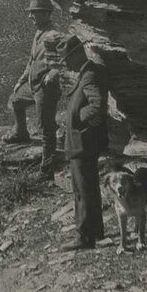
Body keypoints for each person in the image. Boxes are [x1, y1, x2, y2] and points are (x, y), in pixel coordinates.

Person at [57, 33, 109, 249]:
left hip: (83, 142)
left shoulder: (89, 75)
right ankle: (95, 231)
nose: (66, 63)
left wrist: (78, 118)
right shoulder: (86, 74)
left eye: (68, 57)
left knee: (82, 190)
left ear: (78, 53)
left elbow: (96, 105)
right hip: (82, 141)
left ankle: (84, 236)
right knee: (88, 188)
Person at [3, 0, 62, 169]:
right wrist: (21, 81)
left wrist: (53, 74)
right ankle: (21, 132)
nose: (30, 16)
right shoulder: (38, 34)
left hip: (46, 89)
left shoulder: (55, 35)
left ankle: (48, 165)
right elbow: (31, 61)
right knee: (15, 100)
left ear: (45, 14)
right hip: (33, 84)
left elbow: (65, 61)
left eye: (34, 13)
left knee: (46, 128)